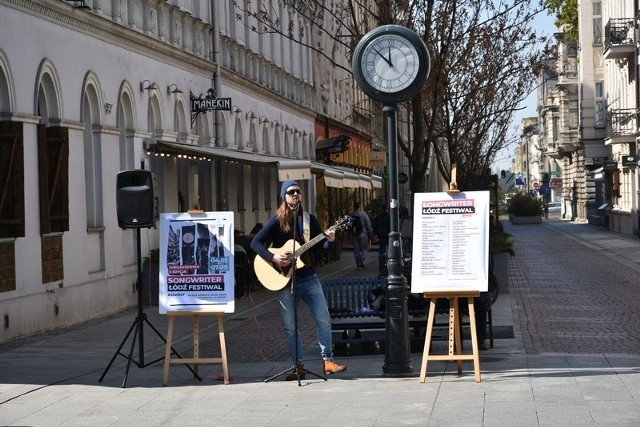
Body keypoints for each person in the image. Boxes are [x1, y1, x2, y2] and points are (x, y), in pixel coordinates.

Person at [251, 180, 346, 380]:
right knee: (291, 326)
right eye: (291, 192)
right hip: (285, 281)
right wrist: (273, 257)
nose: (296, 195)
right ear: (284, 197)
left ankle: (328, 361)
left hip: (308, 276)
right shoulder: (276, 220)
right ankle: (298, 366)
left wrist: (329, 240)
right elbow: (255, 242)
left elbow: (320, 250)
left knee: (323, 318)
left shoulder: (309, 220)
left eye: (298, 192)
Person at [350, 201, 374, 269]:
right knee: (364, 248)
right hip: (363, 233)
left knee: (356, 249)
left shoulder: (351, 214)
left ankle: (358, 264)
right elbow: (368, 225)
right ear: (359, 207)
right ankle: (361, 262)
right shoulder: (363, 214)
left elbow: (348, 225)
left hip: (353, 234)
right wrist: (370, 233)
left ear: (353, 207)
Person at [373, 204, 390, 275]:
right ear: (387, 208)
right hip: (388, 235)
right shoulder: (389, 216)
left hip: (381, 236)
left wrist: (377, 234)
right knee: (389, 249)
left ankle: (381, 263)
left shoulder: (378, 216)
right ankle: (388, 262)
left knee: (382, 249)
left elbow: (375, 226)